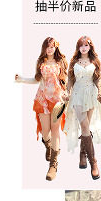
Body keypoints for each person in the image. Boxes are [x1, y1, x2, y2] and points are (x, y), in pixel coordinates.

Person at [15, 36, 69, 181]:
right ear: (44, 48)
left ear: (55, 47)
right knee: (46, 131)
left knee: (55, 129)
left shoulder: (61, 62)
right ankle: (48, 145)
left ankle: (53, 165)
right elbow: (37, 79)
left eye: (52, 46)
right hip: (42, 99)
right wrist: (21, 79)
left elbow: (65, 80)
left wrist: (67, 93)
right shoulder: (40, 62)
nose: (50, 49)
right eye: (47, 46)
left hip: (58, 100)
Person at [64, 36, 101, 180]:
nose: (84, 48)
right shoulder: (74, 61)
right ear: (78, 47)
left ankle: (82, 154)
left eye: (86, 45)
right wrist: (67, 92)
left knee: (85, 128)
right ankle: (94, 162)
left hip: (91, 95)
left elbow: (98, 78)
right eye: (81, 45)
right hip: (77, 95)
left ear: (90, 46)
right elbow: (70, 79)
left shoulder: (94, 61)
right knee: (85, 126)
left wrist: (100, 92)